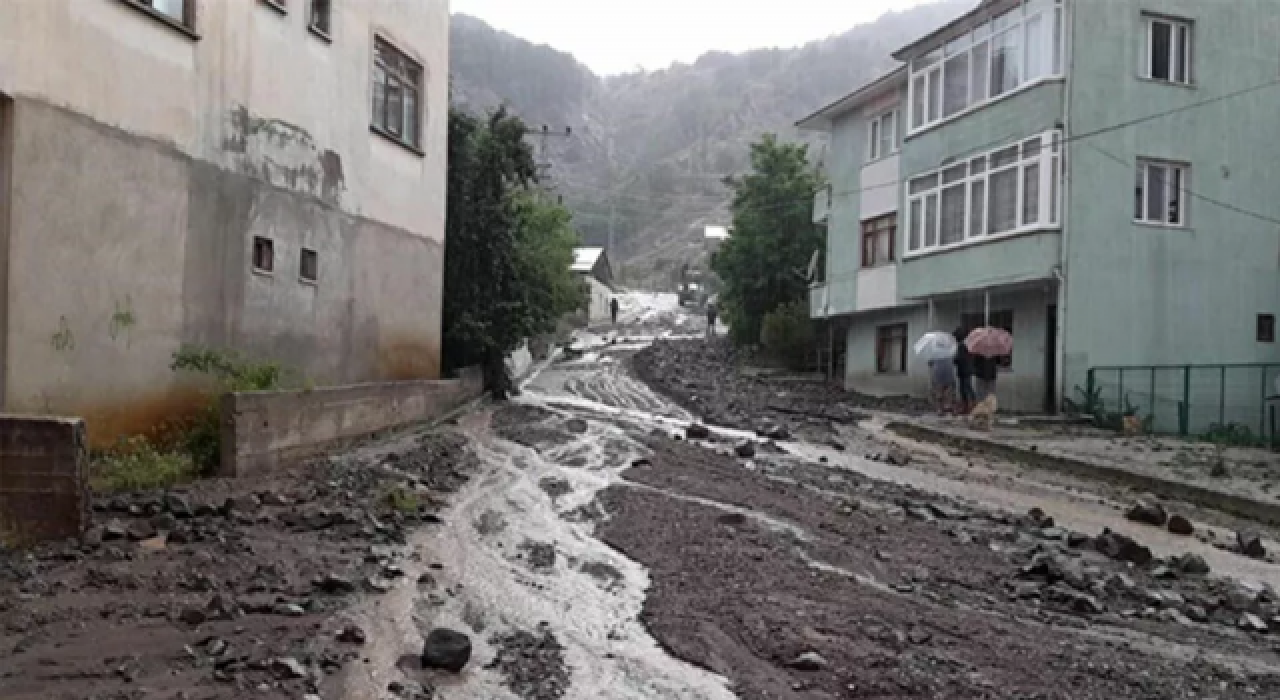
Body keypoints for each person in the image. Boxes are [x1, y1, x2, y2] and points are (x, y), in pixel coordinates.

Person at [952, 327, 976, 414]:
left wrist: (954, 359)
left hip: (965, 370)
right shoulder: (966, 345)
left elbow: (960, 358)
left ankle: (971, 406)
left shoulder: (962, 346)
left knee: (966, 388)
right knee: (964, 389)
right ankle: (966, 407)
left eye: (955, 337)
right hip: (965, 370)